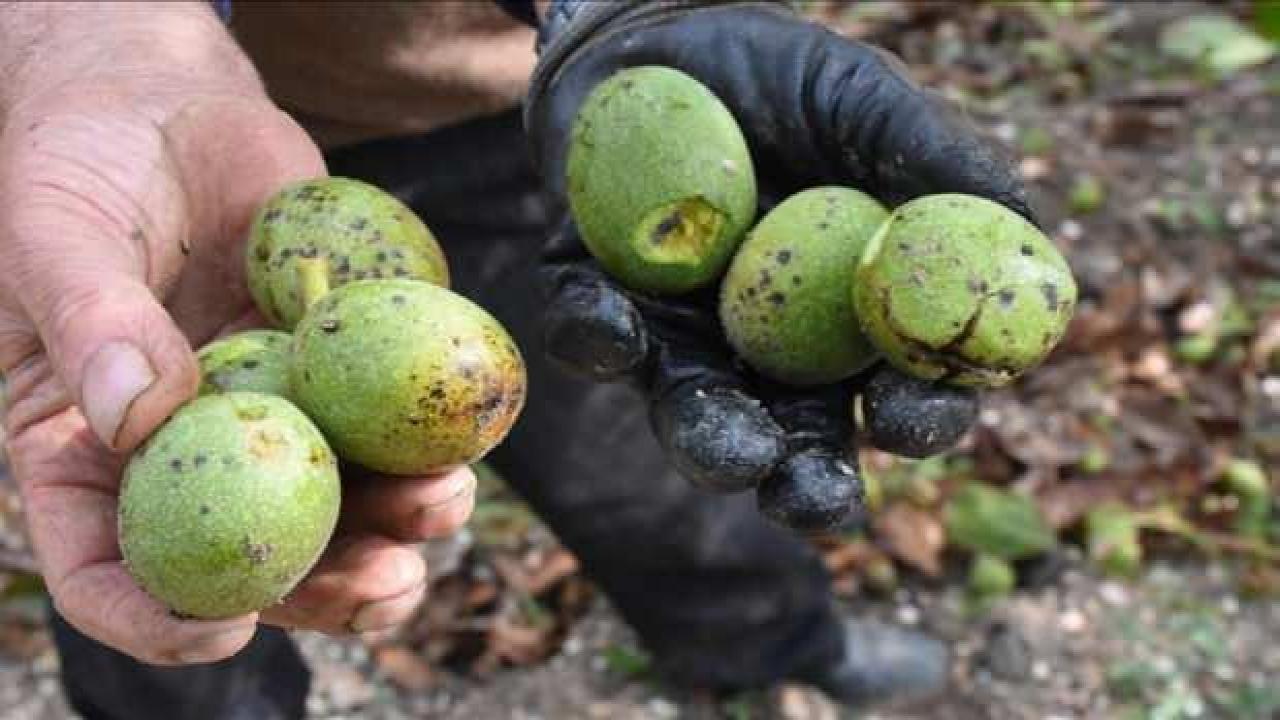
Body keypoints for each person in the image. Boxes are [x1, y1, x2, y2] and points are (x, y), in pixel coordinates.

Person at [0, 1, 1036, 717]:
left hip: (498, 103)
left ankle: (767, 649)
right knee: (139, 545)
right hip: (115, 160)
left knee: (641, 446)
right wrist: (87, 36)